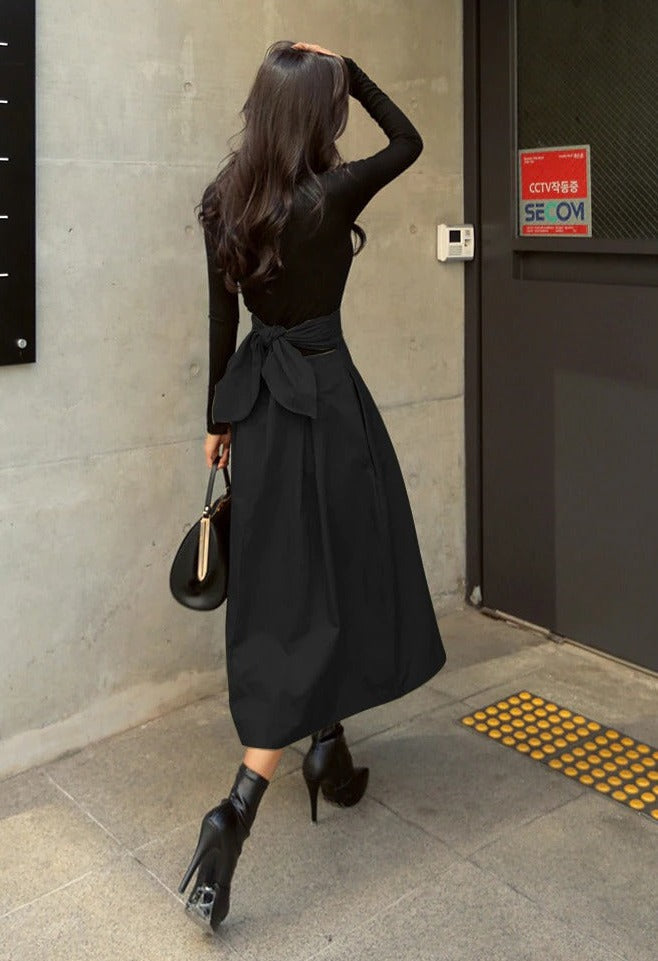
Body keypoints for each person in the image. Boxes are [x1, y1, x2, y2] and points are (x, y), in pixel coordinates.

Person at [178, 40, 447, 932]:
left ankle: (327, 745)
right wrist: (355, 69)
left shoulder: (226, 199)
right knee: (347, 571)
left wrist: (217, 422)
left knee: (290, 581)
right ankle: (237, 806)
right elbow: (407, 141)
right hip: (328, 408)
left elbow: (221, 320)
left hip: (258, 408)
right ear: (317, 113)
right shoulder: (329, 194)